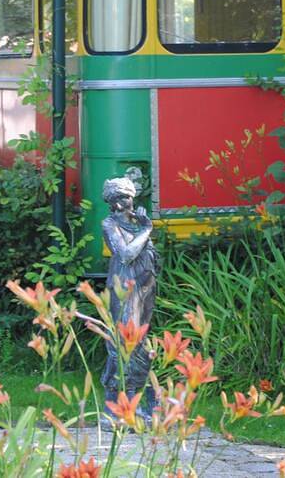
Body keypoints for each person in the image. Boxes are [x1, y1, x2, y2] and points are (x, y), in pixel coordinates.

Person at [100, 176, 159, 420]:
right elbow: (125, 254)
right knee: (124, 342)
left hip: (145, 287)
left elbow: (151, 253)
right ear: (111, 202)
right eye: (119, 198)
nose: (125, 202)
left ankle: (139, 401)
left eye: (127, 197)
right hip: (125, 287)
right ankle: (114, 403)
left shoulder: (138, 222)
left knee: (141, 344)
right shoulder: (109, 224)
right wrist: (146, 230)